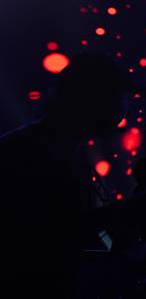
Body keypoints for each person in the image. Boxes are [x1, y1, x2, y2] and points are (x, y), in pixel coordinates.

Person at [0, 53, 134, 294]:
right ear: (92, 98)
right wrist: (125, 213)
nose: (125, 109)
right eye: (122, 97)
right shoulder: (29, 152)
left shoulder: (68, 151)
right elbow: (41, 240)